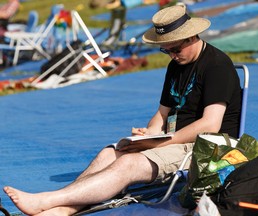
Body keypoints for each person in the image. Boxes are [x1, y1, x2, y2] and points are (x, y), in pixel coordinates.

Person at [3, 4, 241, 216]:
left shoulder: (217, 65)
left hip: (206, 147)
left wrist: (162, 143)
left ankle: (48, 201)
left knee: (127, 164)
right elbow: (162, 113)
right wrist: (150, 134)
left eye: (175, 49)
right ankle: (63, 208)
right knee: (109, 153)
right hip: (175, 140)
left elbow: (211, 124)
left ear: (191, 37)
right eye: (165, 50)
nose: (172, 55)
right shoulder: (175, 65)